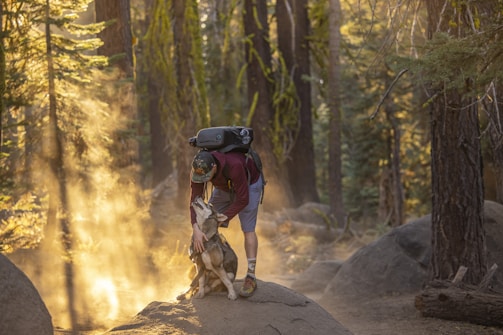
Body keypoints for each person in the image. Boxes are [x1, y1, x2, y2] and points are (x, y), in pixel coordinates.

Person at [189, 149, 263, 297]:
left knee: (248, 229)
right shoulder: (198, 170)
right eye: (200, 177)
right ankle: (206, 266)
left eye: (205, 176)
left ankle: (251, 276)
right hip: (224, 186)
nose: (202, 179)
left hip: (249, 184)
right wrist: (196, 228)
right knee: (206, 220)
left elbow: (243, 199)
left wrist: (225, 216)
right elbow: (194, 202)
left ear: (214, 167)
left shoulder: (234, 165)